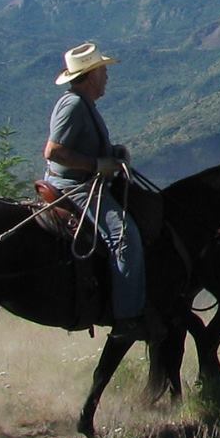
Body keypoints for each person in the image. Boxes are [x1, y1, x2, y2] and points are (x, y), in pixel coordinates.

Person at [42, 42, 148, 340]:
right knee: (124, 236)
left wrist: (112, 152)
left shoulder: (83, 103)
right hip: (74, 187)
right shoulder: (74, 104)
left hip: (81, 180)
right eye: (102, 70)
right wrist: (96, 164)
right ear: (90, 75)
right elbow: (53, 151)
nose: (106, 76)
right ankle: (128, 318)